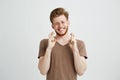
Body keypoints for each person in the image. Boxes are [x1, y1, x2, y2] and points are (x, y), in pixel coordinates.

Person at [38, 7, 88, 80]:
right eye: (57, 23)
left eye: (63, 22)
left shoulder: (79, 44)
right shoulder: (45, 43)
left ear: (68, 23)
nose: (60, 26)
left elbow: (81, 72)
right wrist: (49, 48)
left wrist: (75, 49)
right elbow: (43, 71)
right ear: (52, 26)